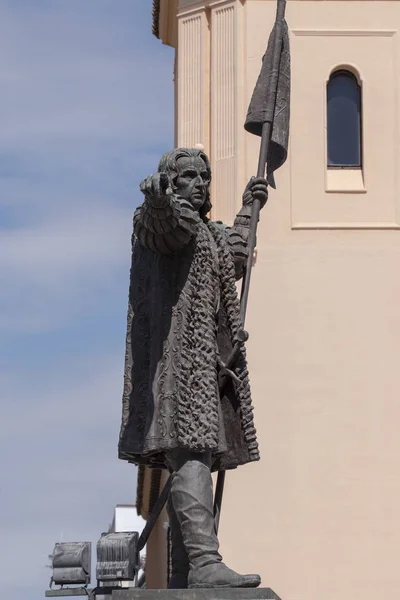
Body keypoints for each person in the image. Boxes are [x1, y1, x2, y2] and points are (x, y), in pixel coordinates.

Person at [118, 147, 268, 589]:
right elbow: (165, 228)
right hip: (177, 367)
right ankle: (205, 560)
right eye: (188, 175)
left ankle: (188, 570)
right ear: (171, 179)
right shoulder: (160, 223)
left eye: (204, 175)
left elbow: (236, 254)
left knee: (194, 453)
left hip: (206, 364)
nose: (200, 182)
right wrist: (159, 200)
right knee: (191, 451)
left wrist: (249, 207)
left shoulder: (210, 233)